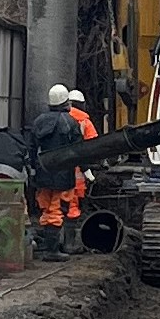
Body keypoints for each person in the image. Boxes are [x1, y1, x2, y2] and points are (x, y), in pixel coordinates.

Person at [25, 84, 79, 257]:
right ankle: (52, 250)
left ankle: (48, 246)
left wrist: (33, 169)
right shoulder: (70, 122)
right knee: (57, 209)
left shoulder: (39, 121)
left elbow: (31, 147)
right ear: (65, 101)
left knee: (46, 208)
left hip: (42, 174)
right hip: (63, 176)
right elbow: (79, 149)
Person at [60, 88, 99, 246]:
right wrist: (89, 170)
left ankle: (57, 242)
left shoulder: (59, 119)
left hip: (56, 172)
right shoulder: (84, 121)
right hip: (77, 174)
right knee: (73, 207)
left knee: (54, 207)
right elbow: (94, 147)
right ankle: (69, 243)